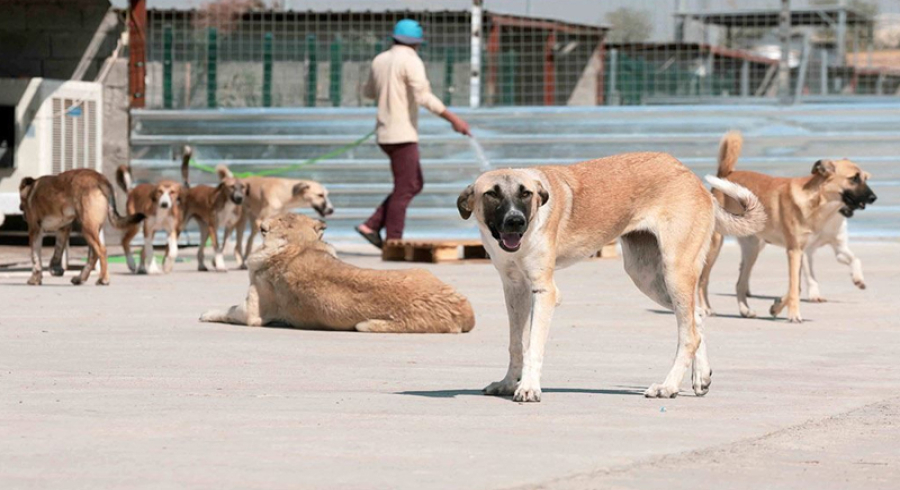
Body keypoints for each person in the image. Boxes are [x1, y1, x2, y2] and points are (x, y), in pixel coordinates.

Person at [356, 19, 471, 249]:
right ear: (417, 43)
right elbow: (424, 97)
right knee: (406, 186)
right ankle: (394, 241)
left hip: (384, 133)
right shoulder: (411, 60)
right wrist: (454, 119)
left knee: (413, 183)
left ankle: (371, 225)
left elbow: (368, 92)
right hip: (402, 134)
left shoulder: (380, 59)